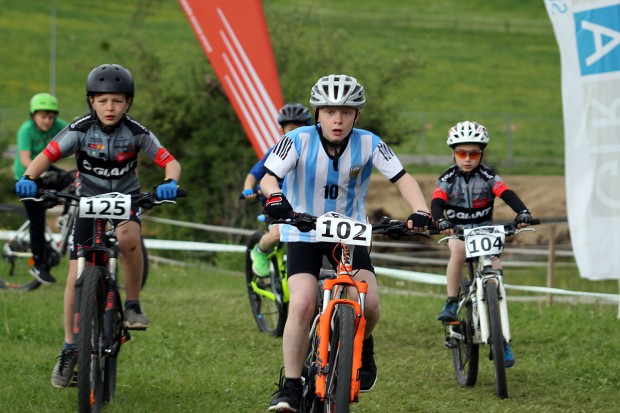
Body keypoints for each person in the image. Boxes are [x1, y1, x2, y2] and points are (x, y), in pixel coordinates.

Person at [261, 74, 432, 412]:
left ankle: (364, 345)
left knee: (368, 304)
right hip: (304, 231)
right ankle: (291, 386)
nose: (337, 120)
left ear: (357, 116)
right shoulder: (296, 140)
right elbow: (269, 177)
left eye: (346, 112)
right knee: (302, 304)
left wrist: (421, 210)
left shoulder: (369, 143)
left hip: (348, 234)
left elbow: (402, 178)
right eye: (329, 111)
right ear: (317, 113)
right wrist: (276, 197)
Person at [14, 63, 182, 388]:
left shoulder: (136, 132)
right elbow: (45, 156)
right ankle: (68, 348)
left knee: (128, 237)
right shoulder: (78, 129)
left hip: (126, 199)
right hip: (87, 201)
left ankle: (132, 304)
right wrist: (28, 178)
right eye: (103, 100)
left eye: (117, 101)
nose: (110, 107)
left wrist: (169, 182)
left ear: (128, 103)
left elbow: (169, 161)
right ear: (91, 101)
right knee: (75, 273)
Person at [431, 120, 532, 368]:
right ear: (453, 153)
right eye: (461, 153)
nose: (467, 159)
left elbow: (507, 194)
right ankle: (452, 301)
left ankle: (502, 339)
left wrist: (523, 212)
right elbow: (436, 203)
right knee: (457, 250)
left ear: (481, 154)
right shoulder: (447, 177)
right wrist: (440, 220)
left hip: (486, 231)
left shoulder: (488, 176)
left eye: (473, 154)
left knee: (495, 271)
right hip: (458, 232)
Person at [242, 103, 311, 277]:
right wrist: (247, 189)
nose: (295, 133)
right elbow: (254, 174)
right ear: (282, 131)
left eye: (300, 129)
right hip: (275, 200)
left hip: (301, 201)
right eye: (291, 129)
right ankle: (260, 250)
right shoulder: (276, 151)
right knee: (277, 234)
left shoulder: (313, 153)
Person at [13, 93, 74, 284]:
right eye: (43, 117)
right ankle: (38, 264)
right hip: (27, 176)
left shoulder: (58, 126)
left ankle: (65, 218)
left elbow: (77, 137)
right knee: (37, 218)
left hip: (46, 168)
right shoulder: (26, 130)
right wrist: (39, 174)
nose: (47, 121)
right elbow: (24, 159)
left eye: (50, 117)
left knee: (72, 184)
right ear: (33, 116)